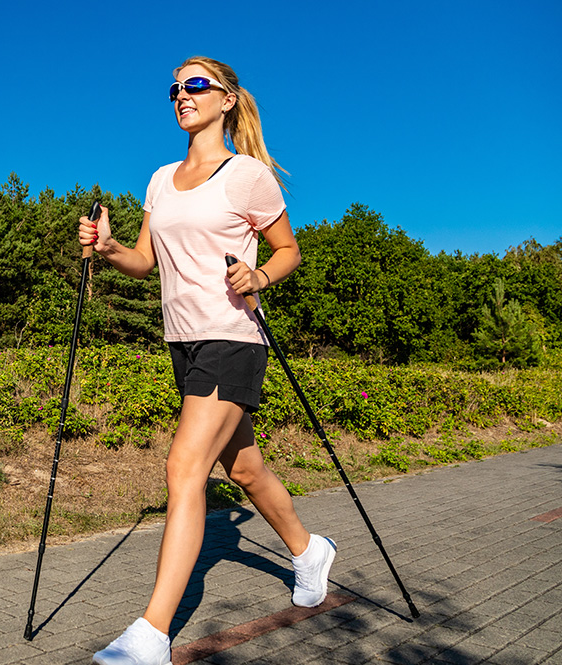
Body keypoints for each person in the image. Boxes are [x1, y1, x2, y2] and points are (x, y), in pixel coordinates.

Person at [80, 56, 337, 665]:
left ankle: (150, 634)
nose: (181, 95)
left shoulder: (246, 175)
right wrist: (110, 247)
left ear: (227, 100)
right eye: (175, 87)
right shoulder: (160, 179)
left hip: (232, 336)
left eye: (195, 85)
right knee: (243, 469)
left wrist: (260, 274)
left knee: (184, 468)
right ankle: (308, 551)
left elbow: (288, 249)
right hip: (184, 340)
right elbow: (145, 261)